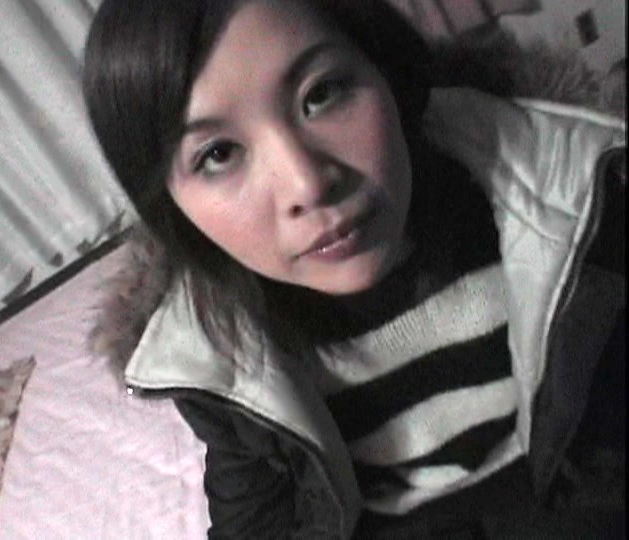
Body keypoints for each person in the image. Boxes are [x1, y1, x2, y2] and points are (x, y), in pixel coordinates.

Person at [83, 0, 626, 537]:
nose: (307, 184)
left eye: (320, 94)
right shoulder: (214, 351)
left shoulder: (559, 212)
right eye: (219, 154)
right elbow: (257, 511)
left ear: (383, 66)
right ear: (171, 210)